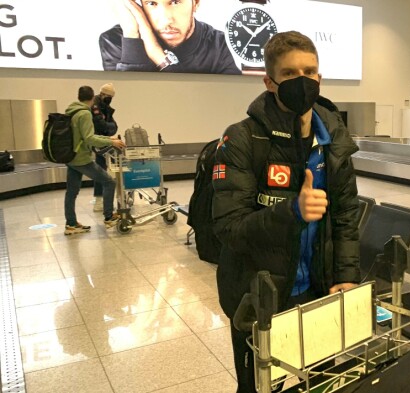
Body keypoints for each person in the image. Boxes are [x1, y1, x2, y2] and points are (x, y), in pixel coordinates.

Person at [212, 31, 361, 392]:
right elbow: (229, 227)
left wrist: (346, 273)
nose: (303, 81)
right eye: (291, 74)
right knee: (259, 387)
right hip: (259, 294)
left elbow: (345, 215)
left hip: (319, 288)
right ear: (269, 81)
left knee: (322, 382)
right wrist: (291, 211)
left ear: (320, 77)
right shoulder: (243, 139)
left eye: (310, 72)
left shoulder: (333, 141)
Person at [99, 0, 241, 74]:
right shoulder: (115, 41)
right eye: (151, 3)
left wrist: (157, 54)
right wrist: (132, 36)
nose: (166, 20)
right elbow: (131, 105)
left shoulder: (221, 45)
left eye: (175, 2)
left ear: (196, 2)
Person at [64, 86, 126, 235]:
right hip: (82, 158)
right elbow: (89, 138)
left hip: (71, 157)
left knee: (71, 191)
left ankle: (71, 224)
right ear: (92, 98)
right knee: (109, 182)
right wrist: (111, 142)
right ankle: (109, 217)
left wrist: (107, 138)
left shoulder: (71, 110)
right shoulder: (85, 113)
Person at [91, 83, 118, 212]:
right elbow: (101, 125)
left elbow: (114, 126)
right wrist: (108, 128)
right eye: (108, 96)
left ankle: (112, 196)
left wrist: (108, 128)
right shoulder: (95, 106)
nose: (109, 99)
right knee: (100, 169)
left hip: (104, 140)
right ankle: (98, 199)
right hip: (96, 141)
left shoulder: (106, 107)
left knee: (109, 167)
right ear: (102, 94)